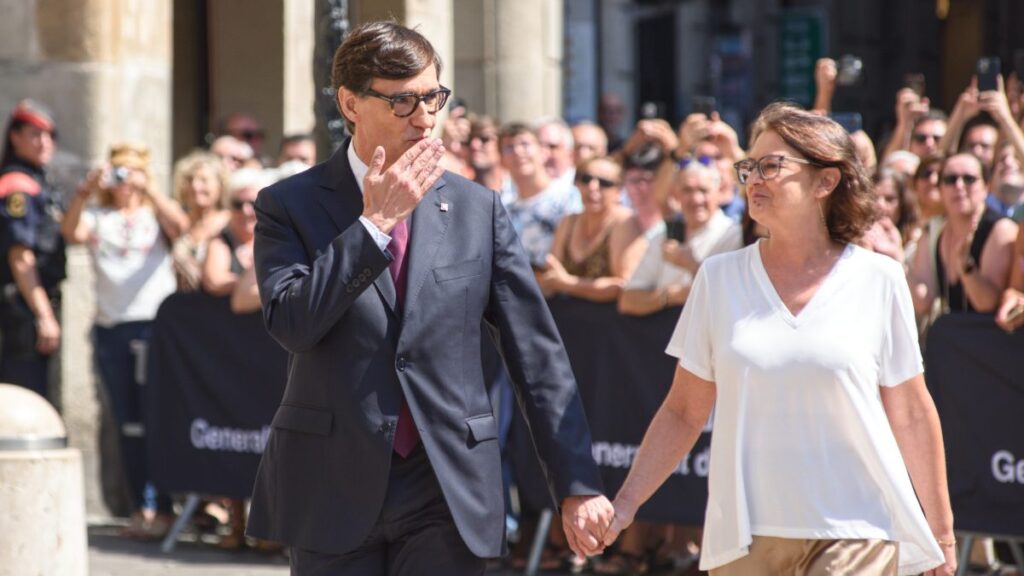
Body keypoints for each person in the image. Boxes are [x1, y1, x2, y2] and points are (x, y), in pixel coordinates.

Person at [244, 21, 612, 575]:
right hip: (333, 481)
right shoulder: (288, 205)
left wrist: (577, 484)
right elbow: (293, 322)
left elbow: (536, 358)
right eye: (403, 101)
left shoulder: (477, 210)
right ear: (350, 103)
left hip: (446, 483)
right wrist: (375, 225)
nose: (424, 117)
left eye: (433, 97)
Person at [602, 102, 956, 576]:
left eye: (772, 166)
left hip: (859, 528)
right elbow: (683, 411)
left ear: (824, 181)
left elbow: (911, 411)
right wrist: (625, 505)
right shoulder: (718, 278)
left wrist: (942, 532)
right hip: (746, 536)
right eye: (749, 167)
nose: (754, 179)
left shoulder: (880, 279)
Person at [61, 141, 188, 538]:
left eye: (131, 172)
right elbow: (70, 232)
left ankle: (165, 506)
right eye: (119, 172)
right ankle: (142, 508)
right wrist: (84, 192)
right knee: (127, 421)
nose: (124, 181)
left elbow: (181, 226)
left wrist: (149, 188)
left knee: (157, 417)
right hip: (112, 328)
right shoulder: (99, 216)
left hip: (153, 326)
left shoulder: (154, 214)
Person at [618, 159, 742, 316]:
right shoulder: (665, 233)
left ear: (719, 192)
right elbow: (628, 300)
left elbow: (729, 296)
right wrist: (671, 296)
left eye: (703, 190)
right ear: (676, 194)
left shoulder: (732, 234)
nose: (696, 199)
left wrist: (691, 265)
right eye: (687, 190)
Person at [0, 100, 65, 399]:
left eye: (49, 135)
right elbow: (20, 257)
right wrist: (43, 315)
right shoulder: (17, 185)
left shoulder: (40, 180)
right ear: (15, 137)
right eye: (35, 135)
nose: (44, 143)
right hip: (21, 309)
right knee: (24, 399)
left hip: (32, 305)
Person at [908, 152, 1017, 315]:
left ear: (986, 186)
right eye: (950, 179)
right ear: (941, 189)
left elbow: (987, 306)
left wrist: (966, 266)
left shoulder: (1000, 230)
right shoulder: (934, 231)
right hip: (953, 337)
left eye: (969, 179)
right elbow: (923, 303)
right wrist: (896, 259)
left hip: (990, 336)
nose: (959, 186)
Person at [537, 156, 636, 302]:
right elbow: (552, 276)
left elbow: (622, 285)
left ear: (619, 191)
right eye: (586, 179)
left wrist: (567, 284)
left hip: (609, 319)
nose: (593, 187)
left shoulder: (624, 222)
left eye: (605, 182)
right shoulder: (568, 222)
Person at [499, 122, 581, 267]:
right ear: (501, 160)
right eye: (509, 147)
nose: (518, 152)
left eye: (525, 144)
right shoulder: (503, 208)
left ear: (543, 152)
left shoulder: (569, 198)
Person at [202, 167, 271, 314]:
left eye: (253, 203)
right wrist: (253, 286)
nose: (246, 211)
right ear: (229, 207)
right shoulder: (220, 241)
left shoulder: (273, 239)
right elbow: (215, 281)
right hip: (226, 327)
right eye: (238, 205)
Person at [170, 150, 231, 291]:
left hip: (218, 304)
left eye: (204, 180)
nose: (195, 186)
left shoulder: (229, 221)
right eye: (190, 180)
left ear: (220, 185)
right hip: (182, 304)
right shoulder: (180, 221)